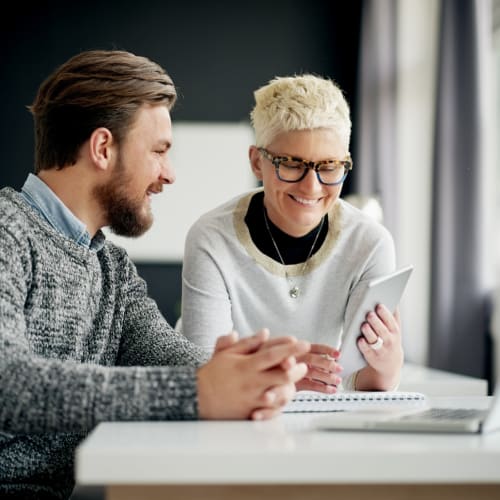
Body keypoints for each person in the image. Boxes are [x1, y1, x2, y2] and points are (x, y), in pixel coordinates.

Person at [0, 50, 311, 500]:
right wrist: (198, 391)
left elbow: (167, 356)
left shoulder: (111, 267)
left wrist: (247, 373)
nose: (169, 175)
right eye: (160, 151)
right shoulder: (7, 231)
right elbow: (10, 384)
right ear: (103, 148)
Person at [180, 74, 404, 393]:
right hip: (232, 418)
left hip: (317, 414)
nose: (311, 187)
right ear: (257, 162)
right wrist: (286, 376)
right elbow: (204, 375)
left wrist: (388, 366)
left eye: (329, 167)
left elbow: (365, 387)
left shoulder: (370, 243)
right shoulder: (211, 238)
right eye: (291, 164)